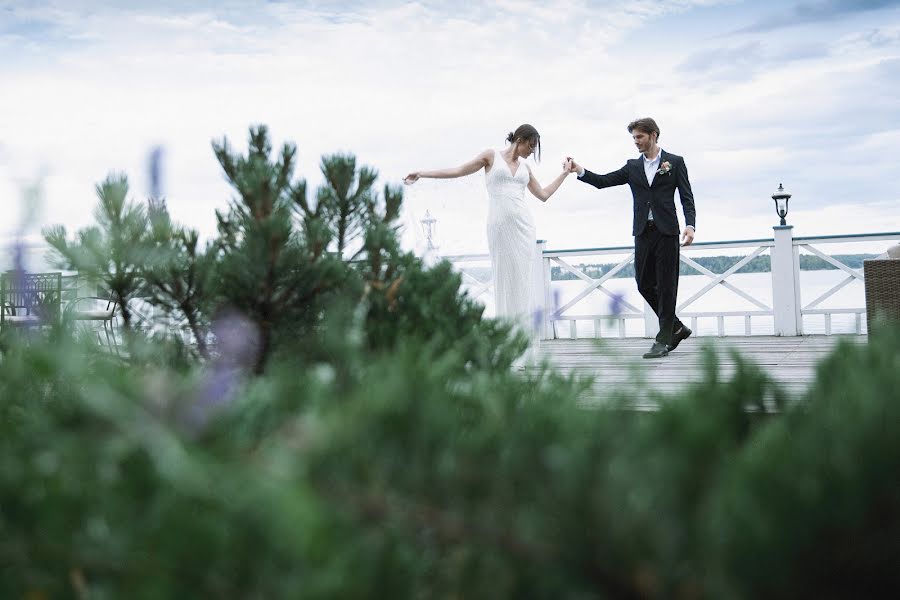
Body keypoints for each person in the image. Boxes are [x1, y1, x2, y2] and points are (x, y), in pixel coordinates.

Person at [404, 124, 571, 330]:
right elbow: (458, 171)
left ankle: (522, 339)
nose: (532, 151)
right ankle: (507, 336)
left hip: (524, 228)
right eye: (531, 145)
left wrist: (564, 174)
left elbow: (543, 195)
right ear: (519, 140)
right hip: (499, 228)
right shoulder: (491, 157)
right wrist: (421, 173)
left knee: (522, 283)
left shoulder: (526, 169)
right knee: (504, 281)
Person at [568, 117, 696, 358]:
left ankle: (663, 339)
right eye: (634, 137)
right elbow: (604, 181)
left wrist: (690, 226)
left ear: (653, 135)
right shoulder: (632, 167)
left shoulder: (675, 163)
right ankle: (676, 327)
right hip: (642, 232)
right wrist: (580, 170)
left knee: (667, 286)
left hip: (667, 232)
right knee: (643, 283)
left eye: (640, 137)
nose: (636, 141)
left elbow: (686, 197)